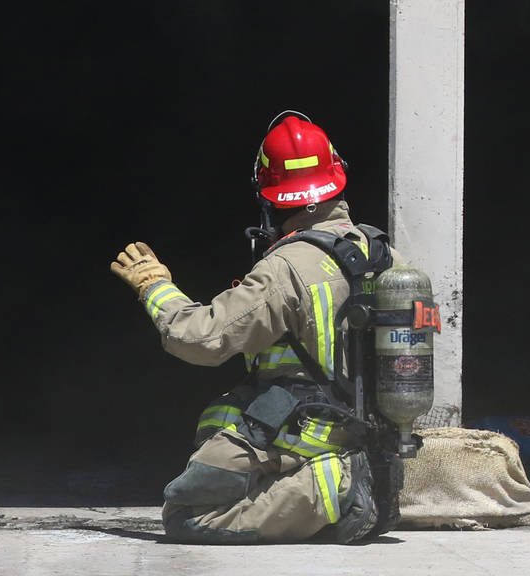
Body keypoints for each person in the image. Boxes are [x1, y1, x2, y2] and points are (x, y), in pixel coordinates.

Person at [110, 111, 407, 544]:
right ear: (336, 177)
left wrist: (155, 287)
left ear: (271, 196)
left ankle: (338, 487)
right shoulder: (386, 257)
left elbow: (200, 339)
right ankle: (347, 481)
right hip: (369, 430)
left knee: (189, 512)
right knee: (224, 414)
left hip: (312, 431)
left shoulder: (286, 266)